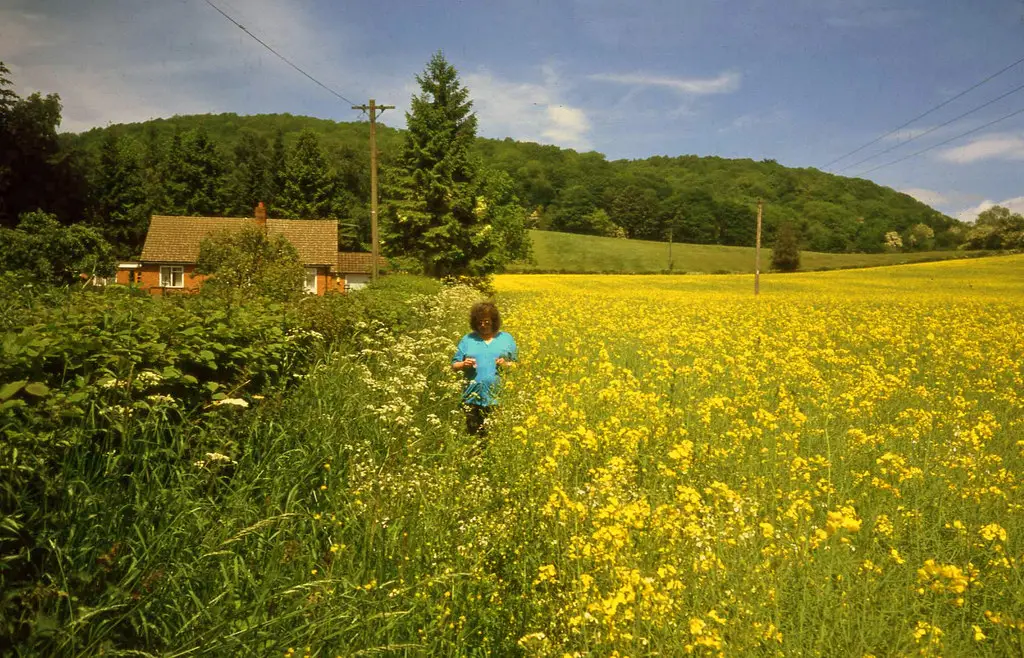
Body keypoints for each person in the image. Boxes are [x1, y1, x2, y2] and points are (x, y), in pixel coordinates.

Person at [451, 301, 518, 436]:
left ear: (494, 321)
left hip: (498, 397)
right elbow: (454, 365)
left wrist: (506, 364)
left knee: (496, 435)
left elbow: (517, 365)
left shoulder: (506, 338)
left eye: (486, 321)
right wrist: (463, 364)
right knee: (474, 436)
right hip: (472, 397)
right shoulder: (468, 339)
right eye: (479, 322)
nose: (483, 325)